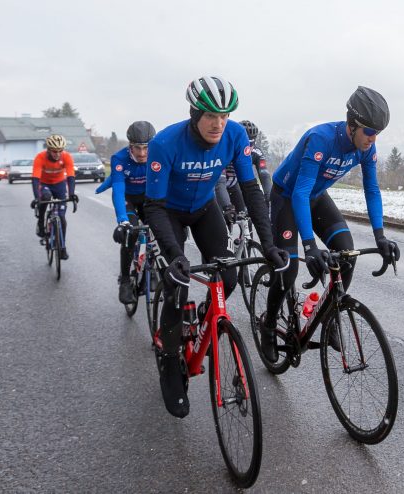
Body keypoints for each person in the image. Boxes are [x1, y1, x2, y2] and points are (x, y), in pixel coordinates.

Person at [144, 75, 289, 418]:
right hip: (169, 211)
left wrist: (268, 244)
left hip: (205, 208)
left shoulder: (235, 135)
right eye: (211, 115)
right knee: (176, 285)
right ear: (195, 113)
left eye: (224, 115)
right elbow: (152, 206)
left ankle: (210, 323)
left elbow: (252, 191)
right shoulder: (166, 143)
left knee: (229, 277)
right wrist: (176, 255)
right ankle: (169, 362)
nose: (218, 123)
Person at [259, 86, 400, 362]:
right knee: (287, 271)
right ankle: (268, 325)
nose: (373, 139)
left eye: (378, 133)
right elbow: (299, 192)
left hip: (314, 196)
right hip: (287, 196)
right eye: (369, 132)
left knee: (346, 252)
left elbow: (371, 189)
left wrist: (380, 236)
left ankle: (328, 317)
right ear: (352, 125)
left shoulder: (366, 148)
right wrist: (309, 245)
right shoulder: (321, 139)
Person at [105, 121, 156, 304]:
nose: (142, 153)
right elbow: (118, 190)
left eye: (146, 148)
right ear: (130, 146)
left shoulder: (159, 155)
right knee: (130, 233)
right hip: (128, 200)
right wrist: (122, 221)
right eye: (137, 148)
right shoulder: (119, 159)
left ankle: (154, 269)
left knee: (160, 229)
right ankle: (125, 281)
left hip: (149, 199)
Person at [214, 119, 270, 227]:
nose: (246, 148)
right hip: (216, 186)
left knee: (245, 219)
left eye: (250, 145)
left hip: (234, 186)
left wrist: (268, 197)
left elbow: (265, 176)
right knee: (224, 221)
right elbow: (219, 183)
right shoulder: (224, 149)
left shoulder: (257, 153)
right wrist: (227, 207)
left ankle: (247, 242)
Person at [30, 134, 78, 259]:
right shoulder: (40, 158)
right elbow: (35, 179)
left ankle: (62, 248)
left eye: (60, 151)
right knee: (44, 198)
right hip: (45, 184)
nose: (57, 154)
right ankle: (41, 222)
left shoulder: (66, 157)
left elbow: (71, 176)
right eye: (54, 151)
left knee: (61, 218)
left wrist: (72, 194)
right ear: (49, 149)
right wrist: (36, 198)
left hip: (59, 185)